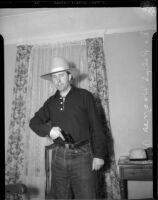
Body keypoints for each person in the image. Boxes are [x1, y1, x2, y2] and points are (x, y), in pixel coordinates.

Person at [29, 56, 106, 199]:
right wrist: (49, 130)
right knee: (60, 197)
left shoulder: (85, 96)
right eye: (54, 77)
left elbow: (97, 127)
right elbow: (33, 122)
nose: (58, 80)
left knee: (87, 196)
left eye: (61, 75)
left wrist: (99, 155)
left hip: (83, 155)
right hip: (59, 156)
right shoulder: (50, 102)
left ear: (69, 76)